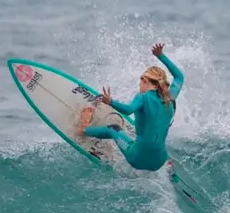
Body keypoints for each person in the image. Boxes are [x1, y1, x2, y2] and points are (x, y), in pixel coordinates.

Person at [78, 42, 184, 171]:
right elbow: (179, 77)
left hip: (137, 159)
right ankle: (168, 166)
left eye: (141, 80)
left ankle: (84, 129)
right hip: (159, 162)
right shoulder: (170, 97)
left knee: (113, 128)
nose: (139, 85)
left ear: (146, 81)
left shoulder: (143, 97)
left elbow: (128, 110)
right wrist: (161, 56)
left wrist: (110, 102)